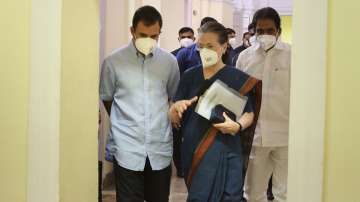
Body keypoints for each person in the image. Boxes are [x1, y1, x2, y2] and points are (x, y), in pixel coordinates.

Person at [169, 22, 261, 201]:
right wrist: (175, 109)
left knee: (230, 197)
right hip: (195, 149)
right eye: (200, 46)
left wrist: (237, 126)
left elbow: (249, 113)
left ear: (224, 47)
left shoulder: (236, 77)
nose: (204, 51)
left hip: (227, 149)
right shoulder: (189, 76)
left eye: (210, 46)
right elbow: (173, 112)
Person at [99, 5, 180, 202]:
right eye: (143, 35)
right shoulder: (113, 62)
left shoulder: (169, 62)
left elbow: (172, 96)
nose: (149, 41)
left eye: (154, 36)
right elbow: (107, 98)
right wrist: (126, 122)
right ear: (132, 31)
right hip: (127, 147)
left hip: (158, 149)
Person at [236, 7, 291, 202]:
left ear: (278, 31)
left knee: (284, 193)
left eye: (270, 30)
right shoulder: (245, 57)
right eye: (260, 31)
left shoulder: (293, 56)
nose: (265, 35)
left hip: (286, 135)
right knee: (252, 192)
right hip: (255, 136)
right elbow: (238, 95)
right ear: (254, 31)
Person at [171, 26, 196, 178]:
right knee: (177, 136)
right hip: (179, 101)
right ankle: (180, 167)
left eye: (189, 36)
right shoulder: (174, 56)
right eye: (183, 36)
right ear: (178, 38)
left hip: (194, 102)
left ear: (194, 38)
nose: (186, 39)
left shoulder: (198, 54)